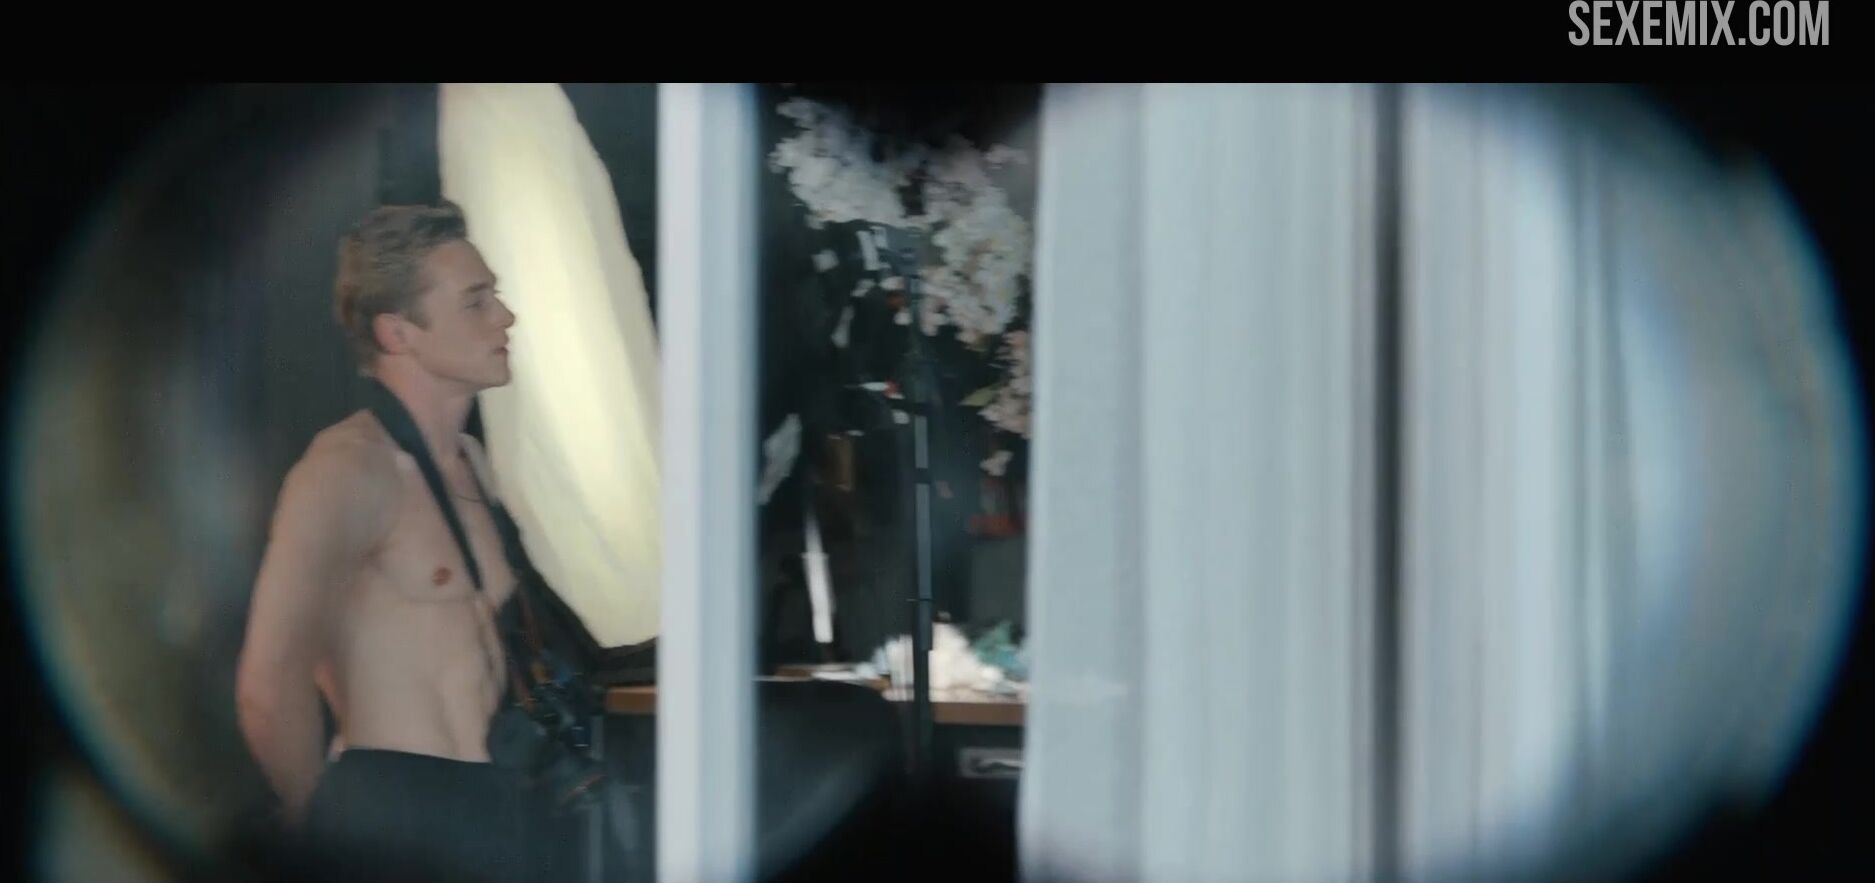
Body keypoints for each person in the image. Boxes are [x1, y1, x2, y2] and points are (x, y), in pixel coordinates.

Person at [234, 201, 546, 882]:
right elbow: (268, 681)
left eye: (494, 296)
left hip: (491, 804)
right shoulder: (348, 469)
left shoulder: (472, 463)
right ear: (397, 332)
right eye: (476, 302)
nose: (504, 317)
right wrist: (316, 817)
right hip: (395, 809)